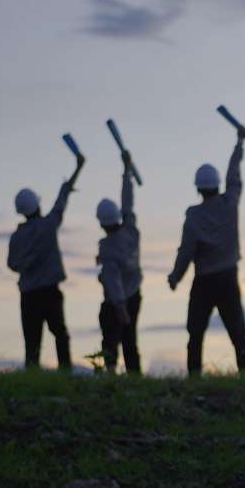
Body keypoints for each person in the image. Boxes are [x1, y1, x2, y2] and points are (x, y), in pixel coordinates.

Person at [168, 128, 245, 377]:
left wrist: (175, 277)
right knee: (237, 332)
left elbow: (186, 251)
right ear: (217, 185)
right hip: (227, 277)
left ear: (198, 189)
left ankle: (194, 377)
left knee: (195, 333)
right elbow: (234, 176)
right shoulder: (229, 204)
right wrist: (239, 144)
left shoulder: (193, 217)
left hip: (204, 281)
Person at [7, 152, 82, 370]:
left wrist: (27, 263)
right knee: (60, 333)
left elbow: (12, 265)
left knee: (32, 342)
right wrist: (77, 168)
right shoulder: (48, 226)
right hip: (50, 291)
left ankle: (32, 376)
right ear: (37, 206)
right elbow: (62, 199)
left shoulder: (16, 237)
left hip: (28, 294)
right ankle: (65, 373)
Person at [95, 150, 143, 375]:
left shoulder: (108, 248)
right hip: (135, 294)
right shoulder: (131, 231)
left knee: (111, 338)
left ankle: (111, 373)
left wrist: (119, 305)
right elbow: (128, 203)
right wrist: (126, 172)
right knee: (130, 340)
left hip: (119, 300)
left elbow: (112, 280)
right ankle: (134, 375)